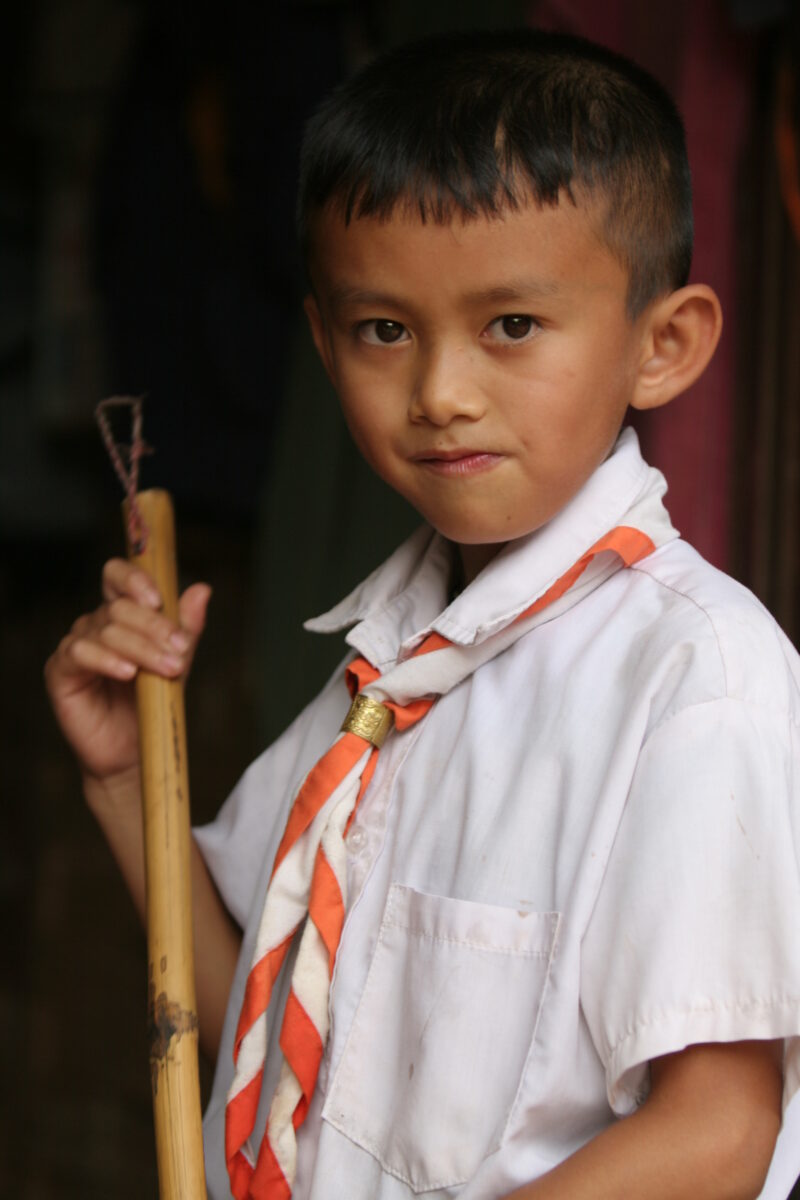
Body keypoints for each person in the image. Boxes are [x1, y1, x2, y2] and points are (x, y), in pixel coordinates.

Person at [45, 30, 800, 1200]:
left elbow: (714, 1136)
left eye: (510, 326)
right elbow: (256, 1007)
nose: (440, 393)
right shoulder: (387, 666)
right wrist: (118, 775)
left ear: (663, 346)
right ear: (321, 340)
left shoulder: (693, 679)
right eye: (382, 330)